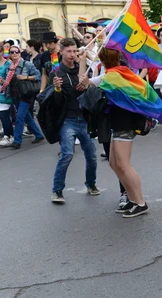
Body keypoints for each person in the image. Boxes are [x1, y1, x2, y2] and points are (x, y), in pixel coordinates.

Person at [84, 47, 157, 217]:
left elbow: (92, 85)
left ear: (104, 61)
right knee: (115, 164)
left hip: (124, 124)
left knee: (124, 165)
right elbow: (90, 83)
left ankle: (140, 202)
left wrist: (85, 71)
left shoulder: (114, 76)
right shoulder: (117, 73)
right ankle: (133, 199)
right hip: (118, 125)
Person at [48, 38, 99, 203]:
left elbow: (83, 89)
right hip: (67, 120)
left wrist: (83, 64)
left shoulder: (81, 69)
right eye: (68, 51)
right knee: (67, 154)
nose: (72, 54)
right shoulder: (56, 73)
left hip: (83, 118)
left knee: (91, 155)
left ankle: (91, 184)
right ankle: (57, 191)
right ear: (61, 52)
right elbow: (55, 102)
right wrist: (56, 88)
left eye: (75, 51)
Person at [3, 45, 45, 150]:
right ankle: (39, 135)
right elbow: (10, 82)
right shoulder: (10, 67)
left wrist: (25, 77)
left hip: (26, 95)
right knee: (27, 117)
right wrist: (3, 82)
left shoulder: (27, 64)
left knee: (19, 117)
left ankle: (17, 141)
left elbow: (38, 76)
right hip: (15, 95)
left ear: (20, 52)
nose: (14, 54)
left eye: (16, 52)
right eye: (11, 52)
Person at [0, 48, 14, 146]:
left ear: (1, 52)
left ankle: (9, 136)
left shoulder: (8, 64)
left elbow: (11, 81)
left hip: (4, 93)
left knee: (4, 115)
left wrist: (2, 81)